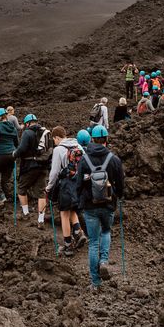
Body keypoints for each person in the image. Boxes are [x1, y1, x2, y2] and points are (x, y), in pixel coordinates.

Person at [76, 124, 124, 292]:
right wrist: (119, 195)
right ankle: (104, 261)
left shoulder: (84, 159)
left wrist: (80, 200)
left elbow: (78, 184)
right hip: (109, 204)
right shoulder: (114, 159)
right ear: (106, 140)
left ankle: (95, 283)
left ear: (93, 139)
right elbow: (121, 183)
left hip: (90, 206)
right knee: (106, 231)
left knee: (93, 242)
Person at [46, 126, 87, 256]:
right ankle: (78, 233)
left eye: (54, 139)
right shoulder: (78, 146)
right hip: (79, 184)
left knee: (64, 213)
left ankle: (68, 245)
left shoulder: (58, 149)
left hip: (66, 184)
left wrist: (49, 187)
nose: (55, 142)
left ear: (57, 137)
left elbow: (54, 172)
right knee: (73, 209)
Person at [12, 113, 52, 229]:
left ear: (28, 123)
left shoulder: (27, 133)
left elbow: (22, 148)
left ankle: (26, 214)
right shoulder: (44, 132)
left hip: (29, 166)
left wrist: (15, 154)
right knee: (41, 193)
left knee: (21, 188)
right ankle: (40, 220)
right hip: (43, 166)